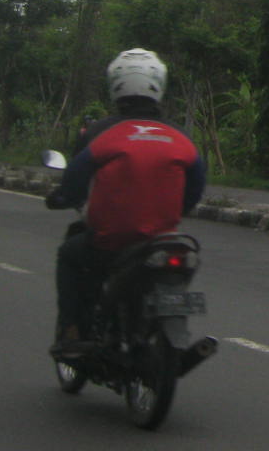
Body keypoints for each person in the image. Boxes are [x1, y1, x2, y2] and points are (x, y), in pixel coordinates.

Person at [46, 49, 207, 358]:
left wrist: (63, 198)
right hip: (164, 240)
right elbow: (196, 186)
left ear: (115, 84)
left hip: (111, 240)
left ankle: (71, 330)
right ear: (159, 84)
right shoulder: (181, 136)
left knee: (69, 255)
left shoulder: (100, 133)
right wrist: (175, 213)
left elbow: (76, 178)